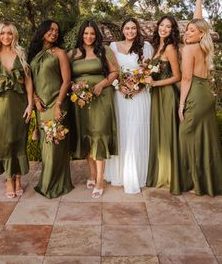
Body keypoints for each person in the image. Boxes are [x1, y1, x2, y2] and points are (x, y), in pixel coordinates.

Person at [178, 0, 222, 196]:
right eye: (186, 30)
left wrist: (181, 105)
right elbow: (198, 22)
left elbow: (186, 78)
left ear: (200, 33)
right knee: (205, 138)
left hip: (194, 93)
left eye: (191, 31)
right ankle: (209, 182)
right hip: (207, 94)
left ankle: (194, 182)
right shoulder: (204, 45)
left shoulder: (189, 49)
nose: (187, 32)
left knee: (186, 136)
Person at [68, 20, 118, 198]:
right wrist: (74, 86)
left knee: (98, 136)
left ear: (97, 35)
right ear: (81, 34)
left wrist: (101, 84)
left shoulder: (104, 51)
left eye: (92, 34)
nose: (89, 37)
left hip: (100, 98)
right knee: (87, 136)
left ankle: (99, 181)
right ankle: (91, 174)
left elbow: (114, 72)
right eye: (86, 33)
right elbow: (65, 76)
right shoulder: (72, 53)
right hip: (80, 100)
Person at [104, 18, 153, 194]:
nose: (130, 31)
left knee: (136, 132)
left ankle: (136, 175)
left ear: (137, 30)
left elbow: (146, 71)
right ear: (122, 30)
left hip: (140, 96)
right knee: (122, 131)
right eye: (127, 28)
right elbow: (110, 70)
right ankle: (120, 174)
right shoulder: (113, 47)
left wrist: (138, 87)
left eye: (133, 28)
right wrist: (120, 86)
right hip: (119, 95)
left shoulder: (145, 46)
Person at [0, 21, 33, 198]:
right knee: (2, 141)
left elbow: (28, 80)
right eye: (3, 33)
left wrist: (30, 105)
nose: (6, 37)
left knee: (18, 139)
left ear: (14, 35)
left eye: (10, 33)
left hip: (19, 101)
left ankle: (18, 178)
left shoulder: (20, 53)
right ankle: (8, 179)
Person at [28, 20, 73, 198]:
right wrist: (35, 99)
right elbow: (28, 81)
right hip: (40, 106)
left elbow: (67, 81)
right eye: (50, 29)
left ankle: (55, 185)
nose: (54, 33)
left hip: (56, 103)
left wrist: (58, 105)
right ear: (42, 31)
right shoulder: (33, 54)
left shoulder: (60, 53)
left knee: (55, 145)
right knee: (45, 147)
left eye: (56, 30)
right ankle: (47, 181)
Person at [145, 16, 181, 194]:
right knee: (159, 132)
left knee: (167, 132)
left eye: (168, 26)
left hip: (167, 95)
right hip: (157, 96)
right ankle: (160, 173)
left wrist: (155, 84)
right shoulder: (155, 47)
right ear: (157, 26)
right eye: (162, 25)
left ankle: (170, 176)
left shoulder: (170, 47)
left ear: (172, 30)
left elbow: (177, 76)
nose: (164, 29)